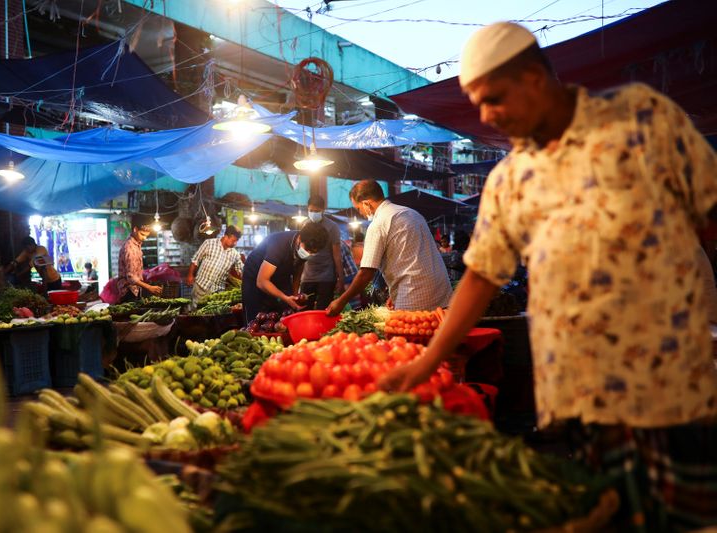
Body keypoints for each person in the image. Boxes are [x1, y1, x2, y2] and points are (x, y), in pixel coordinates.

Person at [379, 22, 717, 531]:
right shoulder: (511, 180)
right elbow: (480, 276)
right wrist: (427, 361)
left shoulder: (640, 120)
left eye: (494, 98)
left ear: (535, 77)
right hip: (579, 380)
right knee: (613, 505)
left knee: (687, 511)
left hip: (668, 368)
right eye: (478, 104)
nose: (487, 115)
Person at [326, 180, 453, 315]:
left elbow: (366, 273)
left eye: (358, 208)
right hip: (442, 292)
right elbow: (413, 257)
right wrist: (394, 294)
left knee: (411, 334)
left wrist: (341, 301)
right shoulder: (412, 213)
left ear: (366, 203)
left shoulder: (378, 225)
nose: (361, 213)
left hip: (414, 296)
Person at [241, 222, 328, 323]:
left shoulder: (306, 245)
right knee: (255, 318)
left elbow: (298, 268)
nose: (309, 254)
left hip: (280, 275)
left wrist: (295, 295)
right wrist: (285, 298)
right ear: (299, 239)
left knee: (282, 315)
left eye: (313, 253)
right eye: (307, 250)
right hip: (256, 278)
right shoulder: (279, 245)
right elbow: (262, 281)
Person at [299, 195, 343, 310]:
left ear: (323, 210)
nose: (313, 213)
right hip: (307, 277)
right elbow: (300, 252)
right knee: (304, 310)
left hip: (327, 277)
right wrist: (297, 278)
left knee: (323, 311)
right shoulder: (303, 225)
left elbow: (337, 255)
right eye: (310, 210)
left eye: (317, 211)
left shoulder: (332, 227)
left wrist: (341, 279)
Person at [186, 225, 244, 303]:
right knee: (194, 311)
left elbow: (241, 270)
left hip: (217, 293)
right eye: (233, 240)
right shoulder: (209, 243)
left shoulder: (235, 254)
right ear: (226, 236)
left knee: (213, 313)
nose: (235, 243)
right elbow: (195, 260)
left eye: (237, 241)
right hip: (200, 286)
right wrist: (190, 275)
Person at [117, 218, 162, 303]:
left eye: (147, 235)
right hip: (128, 291)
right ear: (135, 229)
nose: (144, 238)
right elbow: (131, 277)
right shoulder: (130, 248)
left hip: (134, 289)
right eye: (142, 234)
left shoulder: (137, 244)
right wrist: (149, 287)